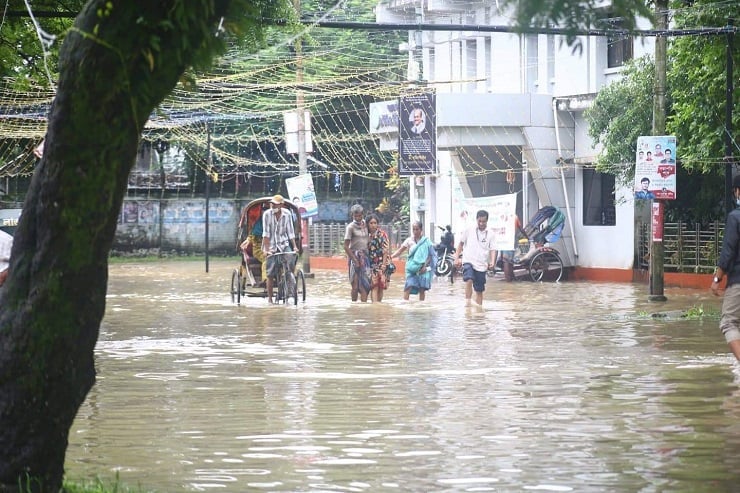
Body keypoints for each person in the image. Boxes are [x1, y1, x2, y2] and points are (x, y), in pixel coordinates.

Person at [711, 174, 740, 362]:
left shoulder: (735, 217)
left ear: (737, 191)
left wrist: (716, 279)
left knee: (728, 322)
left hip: (738, 281)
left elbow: (728, 252)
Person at [453, 210, 497, 306]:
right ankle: (468, 303)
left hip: (481, 264)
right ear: (476, 220)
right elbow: (460, 243)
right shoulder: (469, 229)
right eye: (479, 221)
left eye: (483, 221)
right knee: (469, 279)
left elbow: (493, 249)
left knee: (479, 290)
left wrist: (493, 262)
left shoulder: (491, 234)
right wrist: (456, 258)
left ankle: (479, 314)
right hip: (468, 260)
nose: (481, 223)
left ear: (487, 221)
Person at [262, 194, 298, 304]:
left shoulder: (287, 214)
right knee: (270, 272)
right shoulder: (267, 214)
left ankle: (287, 281)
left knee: (291, 259)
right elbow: (266, 234)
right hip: (271, 245)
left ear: (282, 205)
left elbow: (290, 232)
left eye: (276, 204)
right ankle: (269, 298)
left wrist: (295, 246)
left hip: (284, 243)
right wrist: (267, 250)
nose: (273, 206)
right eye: (272, 204)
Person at [392, 221, 434, 301]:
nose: (415, 231)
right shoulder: (409, 240)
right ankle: (405, 305)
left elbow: (430, 255)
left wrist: (424, 267)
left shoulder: (426, 241)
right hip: (411, 268)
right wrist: (390, 257)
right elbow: (400, 251)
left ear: (421, 230)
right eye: (413, 229)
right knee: (408, 286)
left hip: (423, 268)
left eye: (417, 229)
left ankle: (421, 307)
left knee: (422, 289)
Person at [343, 204, 370, 302]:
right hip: (354, 256)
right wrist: (354, 260)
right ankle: (353, 305)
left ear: (363, 214)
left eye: (359, 215)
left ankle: (363, 308)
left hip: (365, 257)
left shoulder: (366, 224)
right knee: (354, 285)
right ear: (352, 215)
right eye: (355, 216)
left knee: (365, 285)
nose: (358, 218)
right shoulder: (350, 227)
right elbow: (346, 246)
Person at [366, 213, 392, 302]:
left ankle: (378, 306)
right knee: (374, 286)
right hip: (371, 264)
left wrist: (384, 265)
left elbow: (385, 250)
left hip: (382, 263)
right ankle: (375, 306)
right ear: (367, 224)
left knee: (381, 286)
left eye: (375, 223)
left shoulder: (382, 234)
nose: (373, 225)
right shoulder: (366, 235)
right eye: (371, 223)